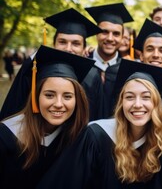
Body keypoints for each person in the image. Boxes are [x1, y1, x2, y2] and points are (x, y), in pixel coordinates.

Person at [38, 59, 162, 188]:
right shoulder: (96, 136)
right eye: (129, 97)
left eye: (146, 97)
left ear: (156, 104)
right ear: (121, 103)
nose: (137, 104)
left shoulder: (158, 141)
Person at [0, 45, 94, 189]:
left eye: (67, 96)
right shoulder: (6, 136)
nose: (58, 104)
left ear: (77, 100)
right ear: (36, 96)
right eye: (49, 95)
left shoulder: (78, 137)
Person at [0, 8, 102, 121]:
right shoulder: (35, 69)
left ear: (84, 49)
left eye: (76, 44)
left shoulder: (93, 75)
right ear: (54, 44)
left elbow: (96, 115)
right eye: (62, 42)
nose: (68, 49)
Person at [132, 19, 162, 138]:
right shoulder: (130, 89)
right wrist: (157, 131)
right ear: (142, 56)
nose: (155, 55)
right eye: (150, 49)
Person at [85, 2, 133, 79]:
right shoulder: (82, 64)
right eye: (104, 32)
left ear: (121, 37)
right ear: (96, 34)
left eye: (116, 34)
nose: (110, 38)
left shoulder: (127, 70)